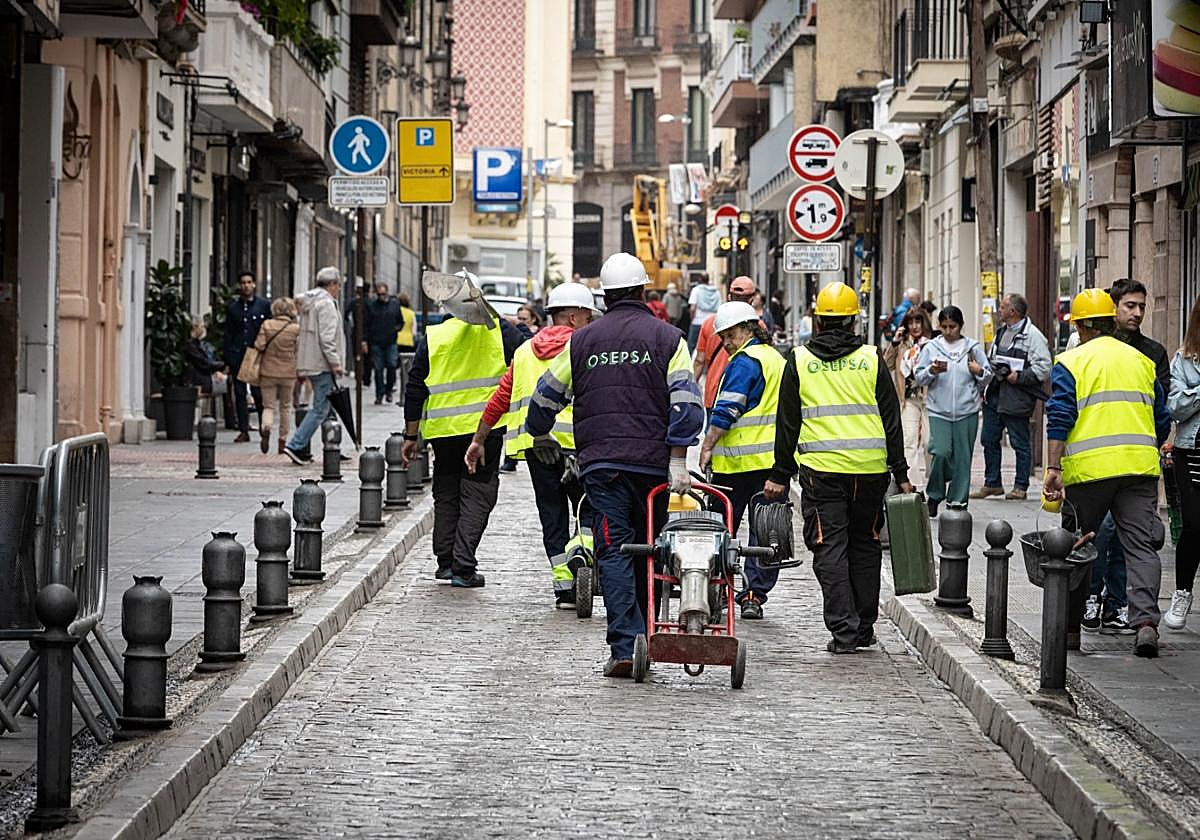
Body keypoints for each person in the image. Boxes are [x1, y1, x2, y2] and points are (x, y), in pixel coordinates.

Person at [526, 252, 704, 678]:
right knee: (648, 548)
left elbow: (544, 396)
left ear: (604, 294)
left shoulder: (582, 341)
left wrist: (540, 431)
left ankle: (626, 645)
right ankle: (640, 636)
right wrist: (678, 458)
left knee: (615, 549)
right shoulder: (668, 338)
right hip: (652, 467)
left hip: (603, 466)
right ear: (644, 289)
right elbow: (686, 403)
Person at [763, 282, 911, 653]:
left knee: (829, 547)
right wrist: (902, 472)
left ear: (817, 321)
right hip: (871, 471)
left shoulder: (800, 360)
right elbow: (892, 419)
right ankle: (863, 628)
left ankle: (844, 631)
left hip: (822, 471)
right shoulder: (873, 358)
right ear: (852, 323)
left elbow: (788, 423)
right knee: (865, 544)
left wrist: (780, 474)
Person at [1043, 288, 1170, 657]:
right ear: (1112, 320)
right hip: (1138, 470)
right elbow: (1160, 419)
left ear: (1080, 326)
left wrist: (1053, 467)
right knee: (1141, 546)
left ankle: (1069, 629)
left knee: (1077, 546)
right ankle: (1145, 623)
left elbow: (1060, 416)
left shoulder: (1071, 362)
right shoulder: (1142, 362)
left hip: (1090, 474)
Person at [464, 283, 599, 604]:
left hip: (539, 448)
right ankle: (582, 553)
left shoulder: (524, 352)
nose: (592, 322)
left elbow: (500, 398)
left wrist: (478, 439)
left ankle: (565, 586)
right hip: (582, 448)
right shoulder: (587, 348)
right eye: (588, 316)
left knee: (551, 515)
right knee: (590, 511)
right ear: (574, 317)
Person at [401, 270, 525, 588]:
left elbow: (415, 387)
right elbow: (525, 361)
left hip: (443, 432)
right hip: (484, 432)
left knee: (446, 495)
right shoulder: (499, 331)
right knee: (478, 495)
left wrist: (410, 436)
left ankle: (445, 562)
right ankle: (463, 566)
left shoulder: (435, 336)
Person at [1083, 279, 1174, 635]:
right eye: (1129, 306)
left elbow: (1161, 409)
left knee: (1131, 539)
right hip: (1096, 460)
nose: (1137, 313)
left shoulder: (1153, 352)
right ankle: (1091, 597)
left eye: (1141, 307)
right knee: (1099, 533)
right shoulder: (1088, 348)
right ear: (1113, 309)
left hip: (1136, 461)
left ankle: (1118, 604)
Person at [697, 301, 785, 620]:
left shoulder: (745, 361)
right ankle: (753, 595)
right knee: (765, 533)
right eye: (722, 337)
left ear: (748, 329)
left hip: (736, 465)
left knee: (720, 528)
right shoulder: (776, 359)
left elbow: (727, 409)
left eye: (730, 335)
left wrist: (707, 446)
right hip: (772, 464)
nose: (726, 342)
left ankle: (718, 586)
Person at [973, 293, 1052, 501]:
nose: (1000, 309)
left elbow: (1044, 368)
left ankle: (1020, 486)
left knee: (1019, 442)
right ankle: (992, 483)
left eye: (1003, 307)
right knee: (988, 438)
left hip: (1017, 397)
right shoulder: (1001, 332)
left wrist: (1020, 376)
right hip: (996, 394)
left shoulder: (1033, 336)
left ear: (1013, 312)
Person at [914, 306, 991, 517]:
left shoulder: (972, 348)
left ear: (960, 326)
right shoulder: (931, 348)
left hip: (967, 410)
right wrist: (931, 370)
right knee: (939, 452)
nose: (948, 331)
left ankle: (957, 500)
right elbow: (919, 376)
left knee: (963, 458)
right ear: (939, 326)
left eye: (953, 327)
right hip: (939, 409)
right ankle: (935, 493)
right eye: (944, 327)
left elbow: (988, 376)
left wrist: (979, 371)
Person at [284, 267, 346, 464]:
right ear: (332, 284)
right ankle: (296, 444)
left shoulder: (310, 300)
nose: (339, 290)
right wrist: (335, 363)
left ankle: (333, 447)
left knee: (329, 408)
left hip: (311, 362)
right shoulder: (326, 303)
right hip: (322, 364)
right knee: (320, 408)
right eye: (338, 286)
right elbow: (327, 338)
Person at [1166, 293, 1200, 630]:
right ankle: (1182, 593)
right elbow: (1175, 406)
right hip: (1191, 453)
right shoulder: (1184, 360)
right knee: (1193, 525)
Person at [694, 276, 759, 421]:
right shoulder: (758, 327)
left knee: (712, 437)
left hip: (714, 392)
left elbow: (699, 361)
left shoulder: (709, 323)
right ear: (751, 299)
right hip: (746, 395)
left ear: (729, 297)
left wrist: (691, 390)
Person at [884, 306, 934, 487]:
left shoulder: (933, 343)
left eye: (918, 321)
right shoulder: (903, 344)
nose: (914, 326)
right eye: (911, 322)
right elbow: (885, 365)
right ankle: (915, 486)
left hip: (930, 398)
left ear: (924, 323)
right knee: (909, 442)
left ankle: (933, 479)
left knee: (930, 443)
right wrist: (894, 342)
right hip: (907, 399)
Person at [224, 271, 271, 442]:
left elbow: (268, 328)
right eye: (243, 282)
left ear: (254, 284)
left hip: (256, 354)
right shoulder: (233, 308)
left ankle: (262, 427)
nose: (246, 285)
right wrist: (227, 359)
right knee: (239, 392)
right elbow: (228, 334)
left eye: (249, 282)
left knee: (258, 393)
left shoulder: (263, 306)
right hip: (238, 355)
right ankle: (243, 429)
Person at [254, 297, 300, 455]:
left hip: (268, 371)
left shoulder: (267, 325)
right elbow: (298, 350)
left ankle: (266, 428)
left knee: (268, 406)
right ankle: (282, 442)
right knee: (286, 406)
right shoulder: (295, 329)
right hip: (288, 373)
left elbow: (258, 345)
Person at [364, 283, 404, 405]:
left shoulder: (394, 305)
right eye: (379, 294)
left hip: (391, 341)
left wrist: (395, 329)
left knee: (392, 366)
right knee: (378, 369)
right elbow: (366, 324)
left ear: (387, 293)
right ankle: (379, 394)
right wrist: (365, 340)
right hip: (376, 342)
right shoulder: (372, 306)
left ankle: (388, 390)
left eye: (384, 294)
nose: (382, 296)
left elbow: (400, 321)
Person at [186, 319, 226, 415]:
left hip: (205, 376)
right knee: (229, 383)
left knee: (230, 381)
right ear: (195, 328)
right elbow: (203, 364)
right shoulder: (191, 345)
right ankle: (234, 418)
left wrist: (217, 370)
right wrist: (221, 367)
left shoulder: (199, 344)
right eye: (202, 326)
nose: (204, 329)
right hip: (199, 380)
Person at [687, 274, 722, 352]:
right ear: (708, 279)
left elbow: (692, 308)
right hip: (712, 323)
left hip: (697, 321)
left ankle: (692, 363)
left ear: (700, 279)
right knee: (710, 346)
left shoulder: (696, 290)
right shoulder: (716, 291)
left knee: (692, 345)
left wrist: (692, 319)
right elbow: (720, 307)